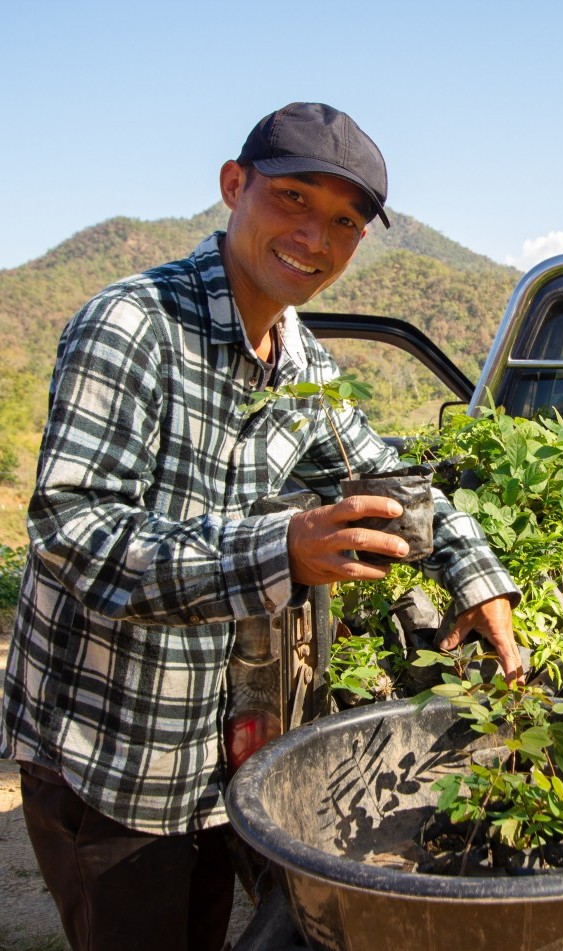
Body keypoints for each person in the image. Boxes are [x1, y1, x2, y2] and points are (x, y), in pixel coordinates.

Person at [1, 101, 523, 950]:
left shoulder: (301, 358)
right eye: (294, 201)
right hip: (113, 755)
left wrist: (476, 575)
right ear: (234, 186)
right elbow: (73, 532)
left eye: (345, 222)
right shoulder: (133, 327)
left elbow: (386, 476)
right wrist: (279, 548)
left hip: (217, 751)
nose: (316, 239)